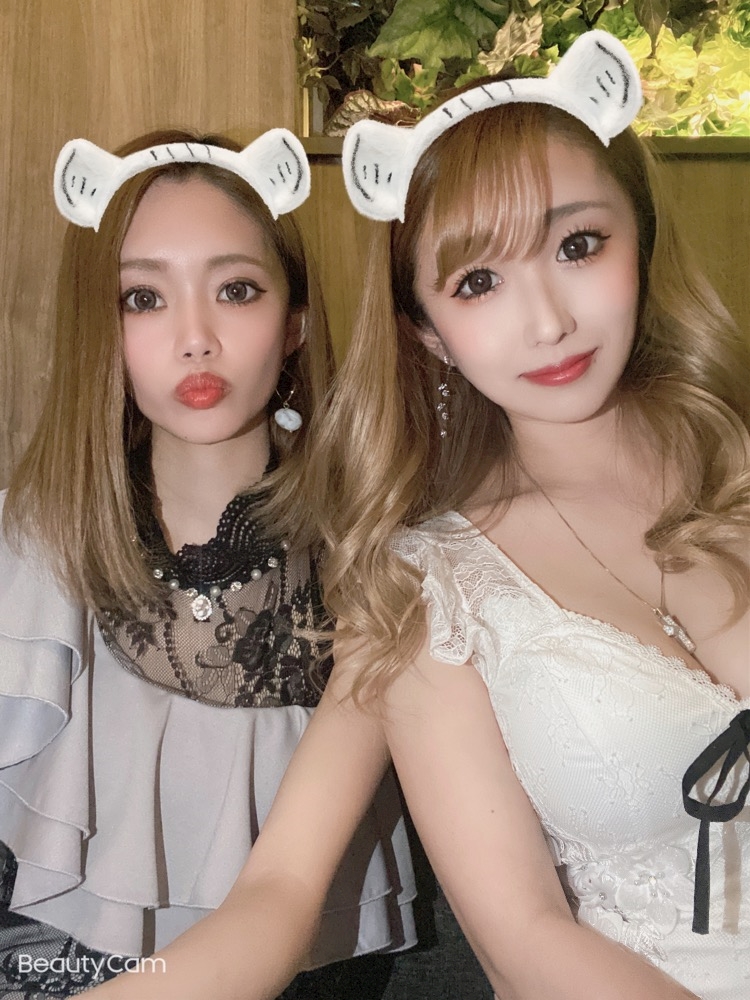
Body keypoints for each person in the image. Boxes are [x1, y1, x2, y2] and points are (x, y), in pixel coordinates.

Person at [83, 30, 749, 1000]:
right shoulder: (429, 585)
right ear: (428, 330)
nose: (548, 320)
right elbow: (306, 897)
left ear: (639, 239)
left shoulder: (732, 459)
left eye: (577, 245)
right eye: (479, 281)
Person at [0, 127, 418, 998]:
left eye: (235, 290)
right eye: (143, 298)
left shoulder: (380, 549)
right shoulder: (28, 540)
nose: (195, 338)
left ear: (296, 322)